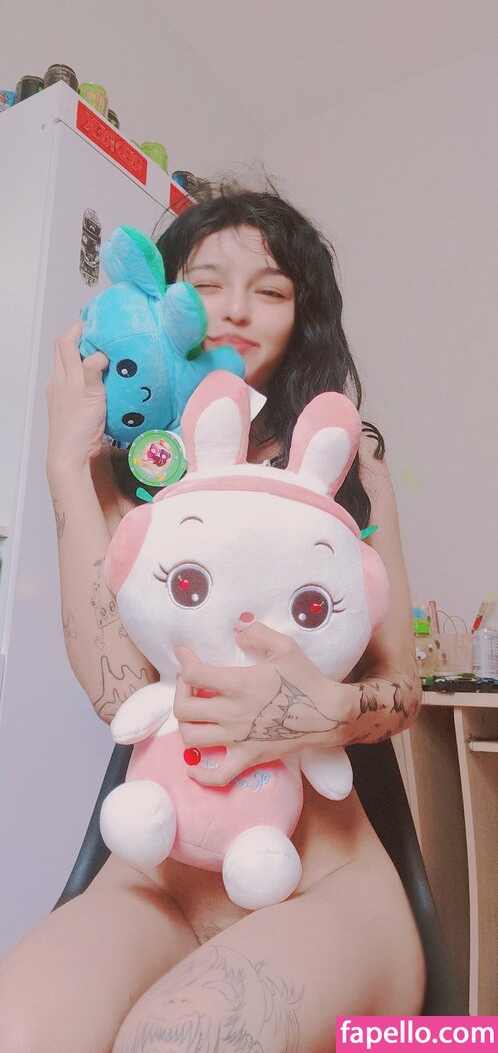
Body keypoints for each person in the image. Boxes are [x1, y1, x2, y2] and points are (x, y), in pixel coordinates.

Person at [0, 187, 425, 1053]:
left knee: (181, 1038)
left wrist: (328, 712)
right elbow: (117, 690)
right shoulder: (131, 474)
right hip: (157, 878)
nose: (235, 309)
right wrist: (67, 465)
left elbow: (403, 690)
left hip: (323, 879)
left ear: (304, 316)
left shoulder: (351, 472)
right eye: (206, 283)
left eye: (270, 290)